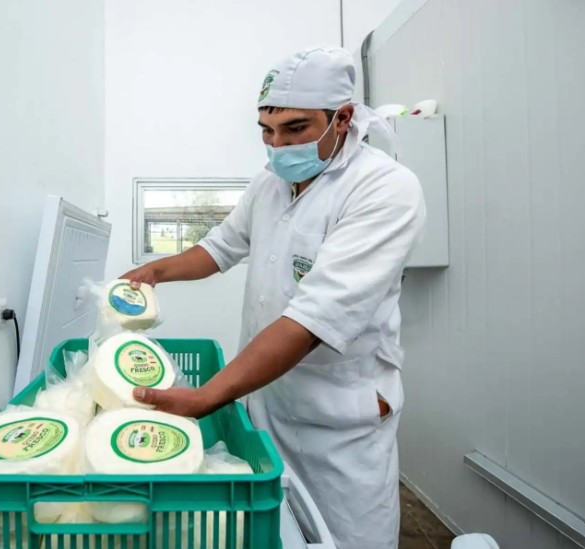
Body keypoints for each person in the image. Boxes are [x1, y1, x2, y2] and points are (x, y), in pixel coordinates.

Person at [123, 46, 426, 549]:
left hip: (338, 422)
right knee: (271, 533)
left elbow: (313, 319)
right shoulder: (271, 183)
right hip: (268, 402)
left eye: (295, 128)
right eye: (266, 130)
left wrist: (206, 397)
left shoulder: (384, 189)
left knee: (345, 539)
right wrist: (155, 271)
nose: (277, 145)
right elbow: (219, 248)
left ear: (342, 118)